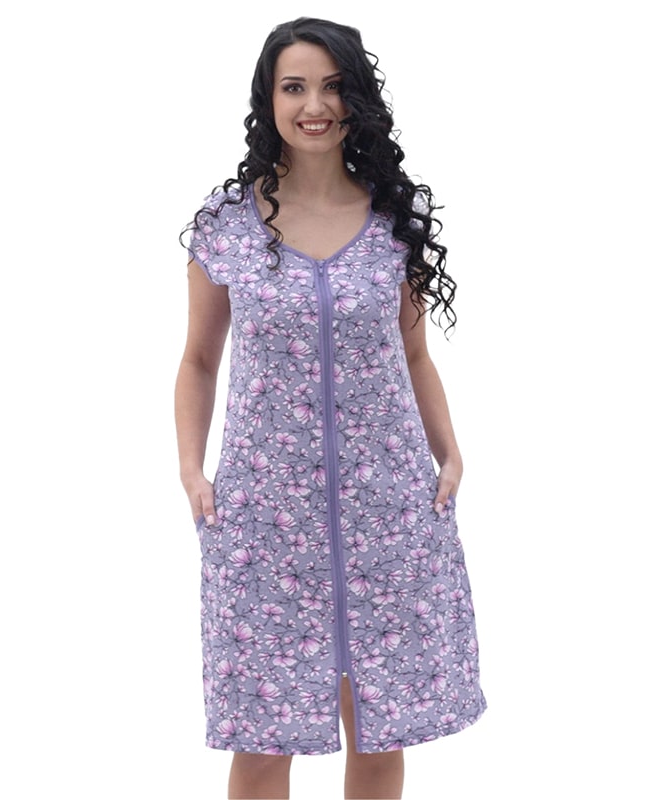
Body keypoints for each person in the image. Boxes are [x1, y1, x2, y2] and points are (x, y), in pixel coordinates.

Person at [175, 17, 486, 800]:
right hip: (264, 519)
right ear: (269, 99)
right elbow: (199, 360)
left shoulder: (391, 222)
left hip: (388, 510)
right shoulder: (227, 228)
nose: (314, 105)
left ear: (358, 100)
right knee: (262, 739)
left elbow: (414, 355)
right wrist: (192, 471)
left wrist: (450, 452)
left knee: (380, 727)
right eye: (295, 87)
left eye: (332, 86)